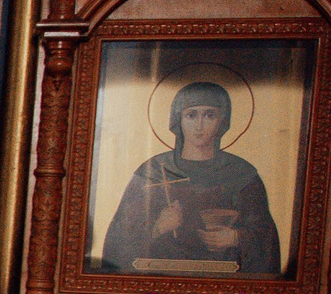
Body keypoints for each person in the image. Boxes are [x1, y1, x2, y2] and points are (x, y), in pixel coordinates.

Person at [98, 80, 284, 277]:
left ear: (222, 121)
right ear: (178, 120)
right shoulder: (152, 172)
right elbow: (118, 242)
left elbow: (266, 239)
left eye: (209, 115)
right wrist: (159, 227)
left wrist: (235, 237)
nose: (199, 125)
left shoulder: (241, 175)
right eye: (191, 115)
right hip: (159, 278)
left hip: (224, 279)